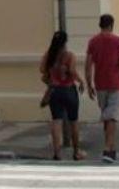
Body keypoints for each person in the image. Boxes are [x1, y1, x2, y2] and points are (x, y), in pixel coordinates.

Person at [85, 13, 119, 163]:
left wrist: (89, 85)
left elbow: (88, 66)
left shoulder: (93, 42)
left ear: (100, 25)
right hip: (115, 83)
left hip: (100, 84)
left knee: (107, 116)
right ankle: (108, 148)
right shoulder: (118, 41)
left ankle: (111, 148)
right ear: (111, 25)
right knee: (111, 116)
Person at [40, 30, 85, 161]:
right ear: (65, 42)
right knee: (74, 121)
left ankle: (57, 153)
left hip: (55, 91)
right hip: (69, 90)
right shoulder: (70, 56)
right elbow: (72, 71)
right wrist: (81, 81)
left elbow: (42, 70)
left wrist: (51, 79)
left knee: (56, 121)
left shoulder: (49, 55)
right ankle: (76, 152)